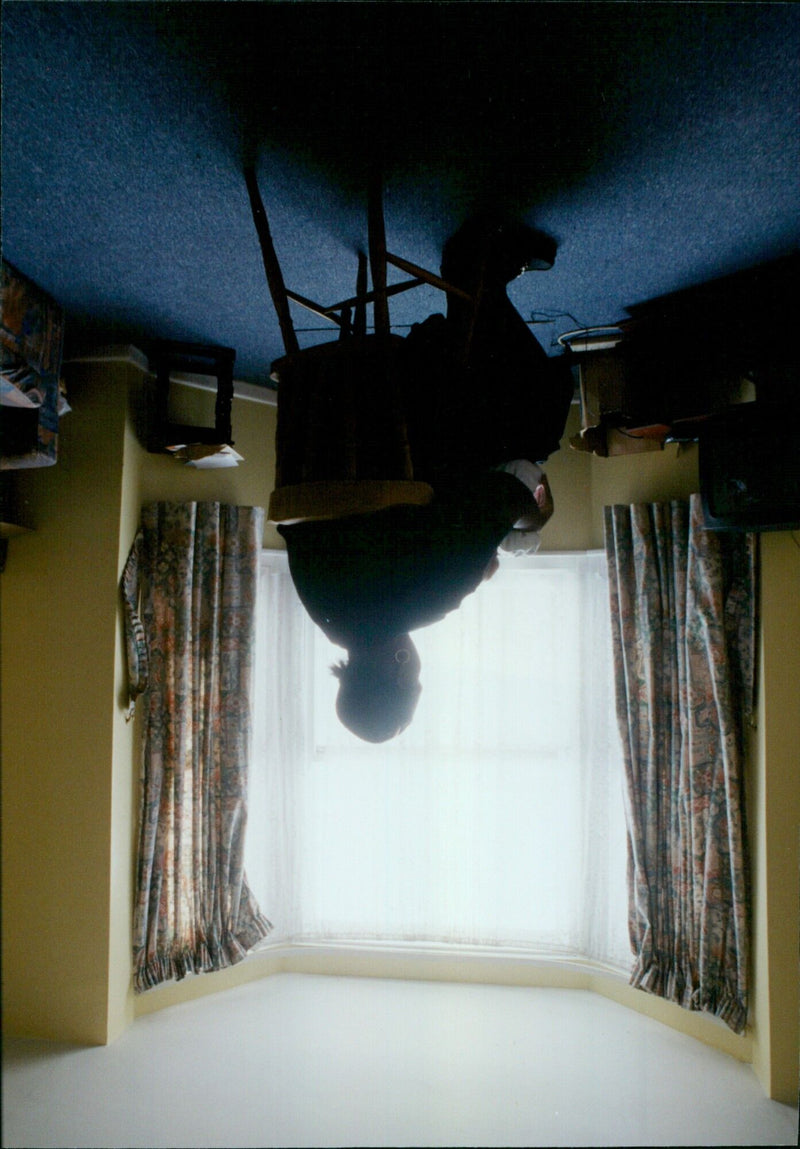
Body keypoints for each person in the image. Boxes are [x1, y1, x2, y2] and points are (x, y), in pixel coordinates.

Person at [278, 217, 574, 742]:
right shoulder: (320, 607)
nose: (418, 669)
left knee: (536, 428)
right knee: (478, 468)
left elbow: (508, 491)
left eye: (415, 679)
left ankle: (476, 276)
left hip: (410, 411)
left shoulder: (429, 600)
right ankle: (474, 295)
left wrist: (531, 523)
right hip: (333, 413)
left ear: (397, 670)